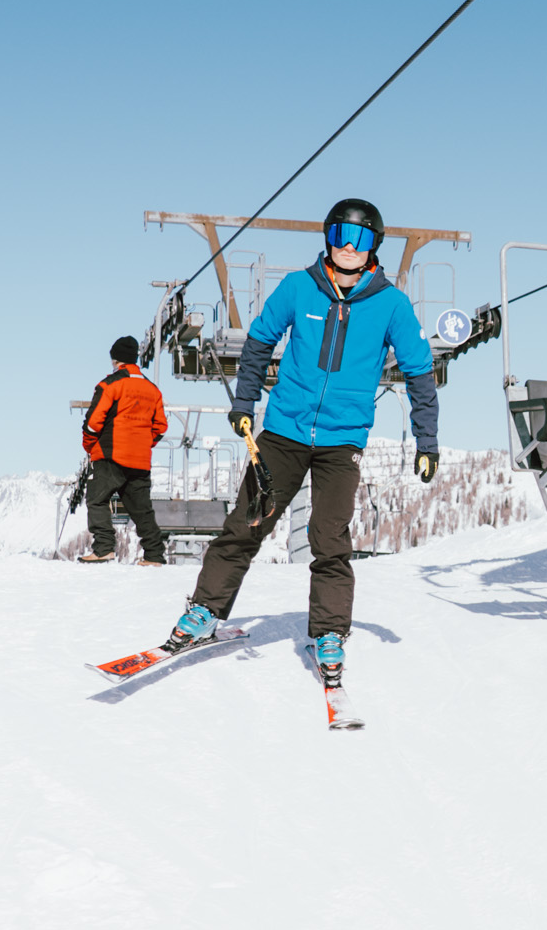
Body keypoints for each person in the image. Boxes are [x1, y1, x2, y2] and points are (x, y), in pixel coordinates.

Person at [155, 199, 438, 687]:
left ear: (375, 248)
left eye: (363, 239)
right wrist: (244, 405)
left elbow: (418, 371)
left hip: (341, 441)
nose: (350, 248)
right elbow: (259, 342)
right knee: (247, 524)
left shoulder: (391, 304)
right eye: (341, 235)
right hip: (283, 432)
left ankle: (328, 632)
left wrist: (427, 440)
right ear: (327, 237)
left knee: (329, 539)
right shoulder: (297, 287)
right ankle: (204, 611)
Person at [79, 336, 172, 565]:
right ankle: (154, 555)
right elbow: (161, 426)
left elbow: (93, 422)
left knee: (97, 500)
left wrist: (90, 445)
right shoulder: (153, 390)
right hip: (140, 460)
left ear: (115, 360)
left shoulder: (110, 385)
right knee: (141, 509)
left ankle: (103, 548)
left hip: (110, 455)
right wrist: (143, 443)